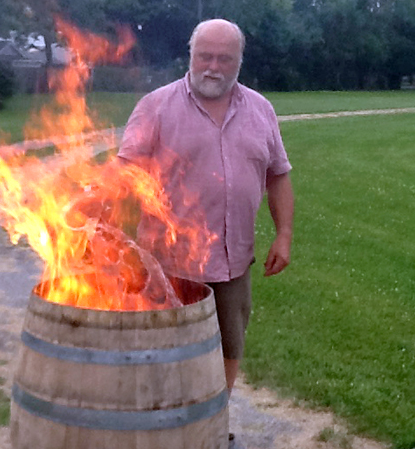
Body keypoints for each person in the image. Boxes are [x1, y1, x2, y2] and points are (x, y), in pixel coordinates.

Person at [117, 18, 294, 444]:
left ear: (238, 61)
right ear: (191, 55)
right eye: (205, 56)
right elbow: (123, 173)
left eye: (224, 58)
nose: (213, 66)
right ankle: (157, 433)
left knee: (229, 347)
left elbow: (278, 175)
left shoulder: (261, 109)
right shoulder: (156, 106)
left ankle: (210, 424)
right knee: (160, 355)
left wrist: (284, 233)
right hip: (167, 264)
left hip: (234, 262)